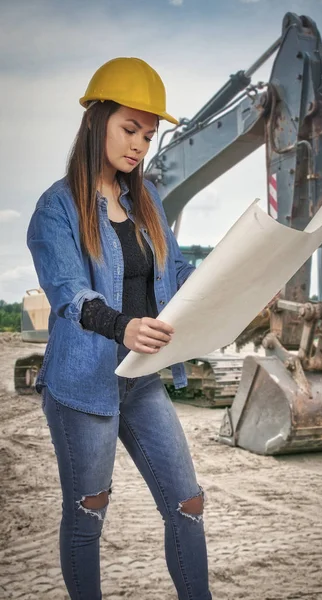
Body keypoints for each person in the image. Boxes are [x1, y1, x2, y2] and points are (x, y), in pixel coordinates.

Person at [27, 57, 212, 600]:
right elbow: (68, 294)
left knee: (188, 503)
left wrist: (238, 280)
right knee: (88, 518)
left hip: (143, 380)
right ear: (95, 121)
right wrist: (122, 325)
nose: (139, 145)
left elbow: (176, 273)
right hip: (83, 387)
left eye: (148, 136)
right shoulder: (56, 208)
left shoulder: (147, 197)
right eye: (129, 128)